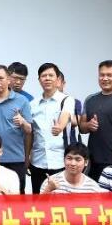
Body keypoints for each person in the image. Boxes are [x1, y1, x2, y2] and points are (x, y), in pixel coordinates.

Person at [0, 64, 33, 192]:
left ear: (8, 79)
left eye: (0, 78)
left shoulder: (22, 101)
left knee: (16, 196)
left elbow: (29, 130)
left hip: (16, 158)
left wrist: (23, 122)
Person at [29, 63, 75, 194]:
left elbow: (66, 114)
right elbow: (31, 133)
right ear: (39, 80)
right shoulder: (33, 104)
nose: (47, 78)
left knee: (61, 200)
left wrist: (59, 127)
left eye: (51, 75)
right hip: (38, 161)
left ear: (58, 79)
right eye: (44, 76)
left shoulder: (67, 100)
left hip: (61, 160)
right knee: (38, 198)